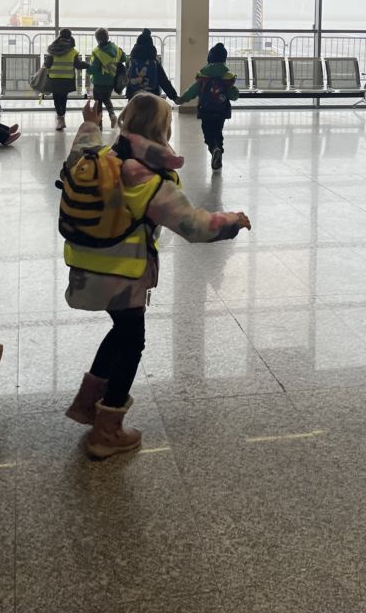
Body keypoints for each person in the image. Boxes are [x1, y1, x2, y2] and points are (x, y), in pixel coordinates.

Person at [62, 95, 250, 459]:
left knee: (121, 330)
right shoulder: (145, 177)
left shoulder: (101, 158)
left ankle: (88, 404)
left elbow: (79, 151)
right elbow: (194, 226)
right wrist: (232, 221)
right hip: (123, 272)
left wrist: (89, 124)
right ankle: (107, 432)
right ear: (163, 129)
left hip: (86, 263)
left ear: (125, 121)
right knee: (132, 342)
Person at [178, 42, 239, 171]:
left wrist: (183, 99)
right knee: (218, 132)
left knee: (208, 134)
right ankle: (218, 148)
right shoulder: (227, 77)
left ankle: (214, 148)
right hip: (221, 111)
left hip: (205, 110)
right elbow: (234, 96)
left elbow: (193, 90)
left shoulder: (203, 76)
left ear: (210, 58)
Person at [41, 28, 88, 131]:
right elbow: (78, 65)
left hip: (54, 79)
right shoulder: (73, 51)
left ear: (60, 36)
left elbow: (47, 65)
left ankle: (60, 119)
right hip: (67, 79)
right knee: (63, 98)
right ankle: (61, 118)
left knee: (56, 99)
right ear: (70, 37)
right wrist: (88, 65)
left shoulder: (53, 50)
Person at [126, 29, 178, 103]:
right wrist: (174, 97)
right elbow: (164, 81)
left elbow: (126, 78)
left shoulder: (131, 61)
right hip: (152, 96)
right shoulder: (155, 63)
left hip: (134, 96)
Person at [89, 28, 126, 129]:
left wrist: (88, 69)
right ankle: (112, 115)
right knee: (106, 98)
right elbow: (124, 58)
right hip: (110, 81)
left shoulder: (97, 52)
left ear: (97, 39)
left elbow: (93, 69)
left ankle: (99, 124)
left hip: (98, 81)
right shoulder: (116, 49)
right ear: (107, 37)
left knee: (98, 103)